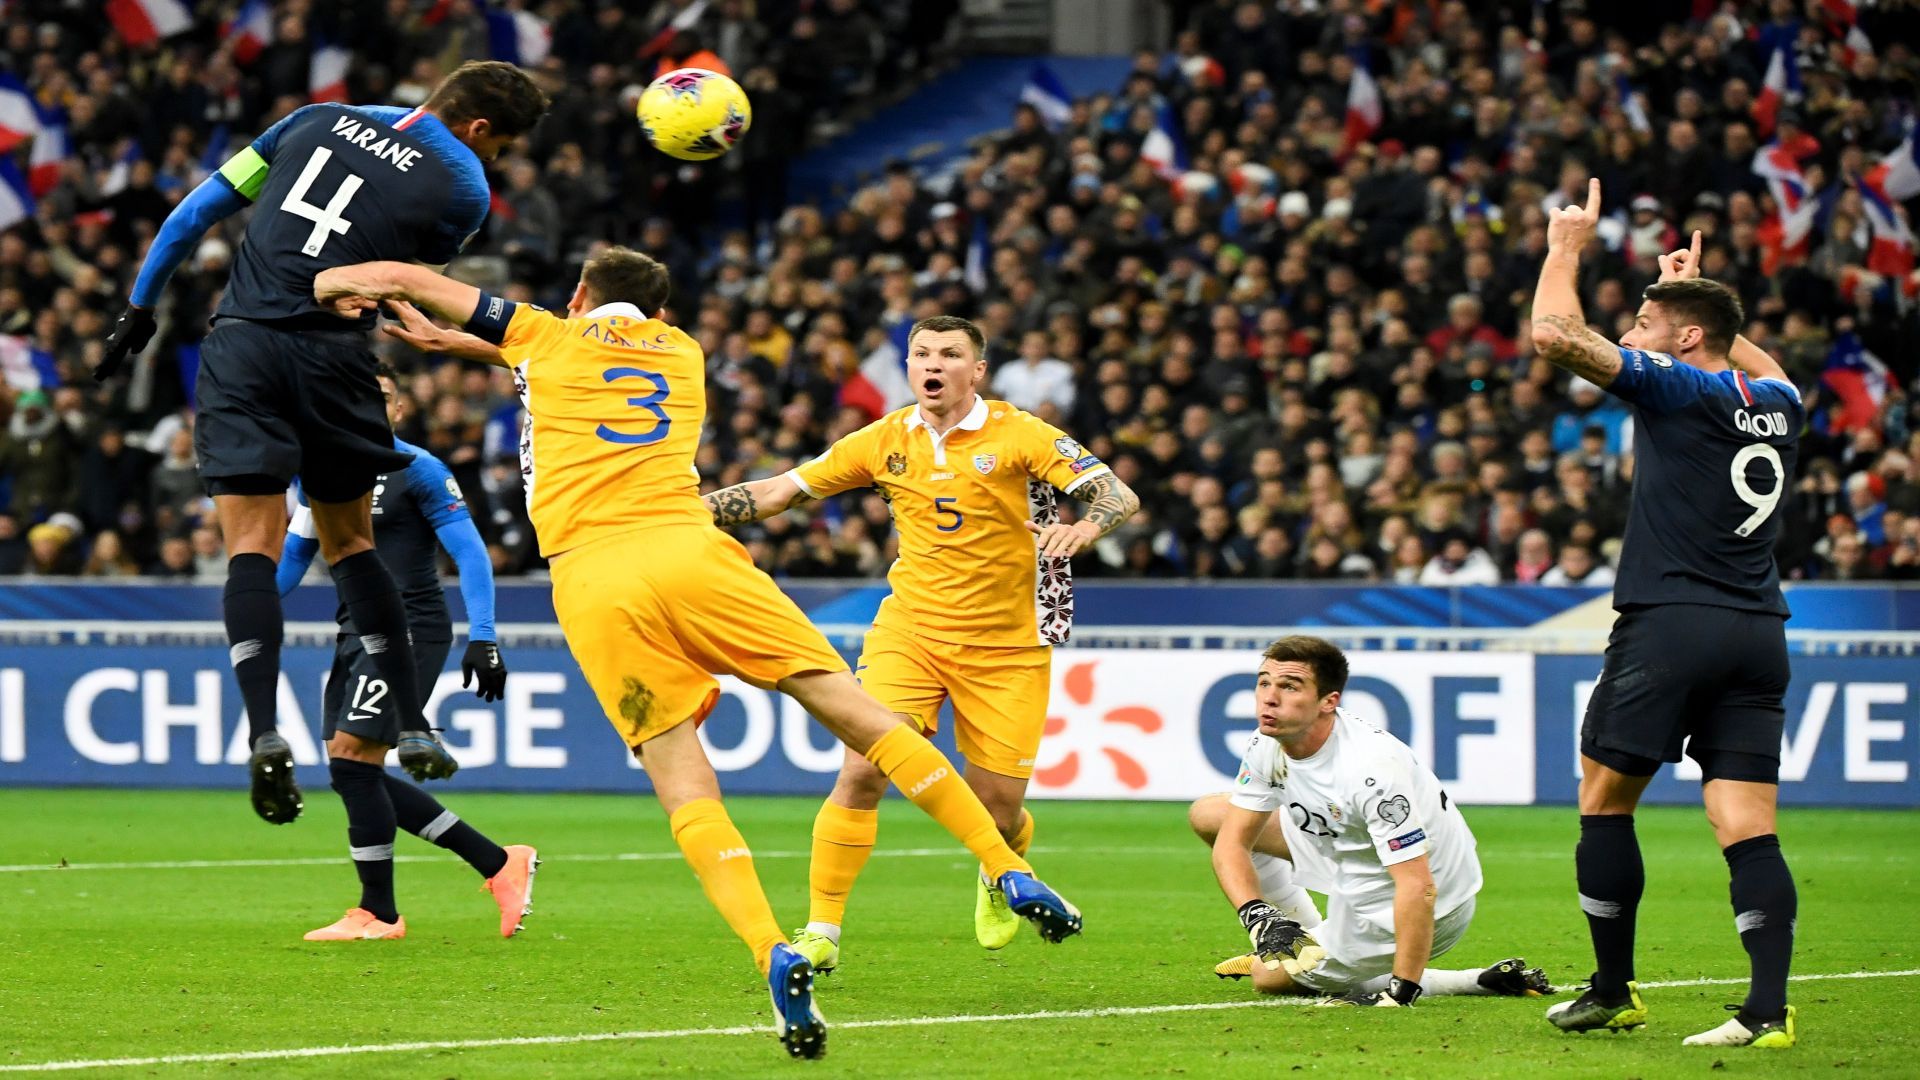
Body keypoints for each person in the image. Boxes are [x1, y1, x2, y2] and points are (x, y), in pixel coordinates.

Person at [311, 249, 1084, 1060]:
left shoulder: (544, 337)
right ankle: (1003, 864)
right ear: (662, 314)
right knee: (854, 710)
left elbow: (402, 275)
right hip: (694, 547)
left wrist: (317, 284)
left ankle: (771, 947)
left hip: (594, 573)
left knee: (682, 775)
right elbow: (569, 355)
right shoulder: (684, 353)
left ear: (579, 297)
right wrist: (463, 344)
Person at [93, 61, 550, 826]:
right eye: (499, 145)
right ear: (478, 130)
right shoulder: (465, 186)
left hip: (242, 346)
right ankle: (410, 723)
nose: (492, 159)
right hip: (334, 358)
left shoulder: (307, 120)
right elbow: (393, 279)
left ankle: (263, 730)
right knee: (351, 541)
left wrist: (139, 308)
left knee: (250, 549)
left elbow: (189, 218)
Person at [703, 314, 1140, 972]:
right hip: (912, 631)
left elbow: (1115, 491)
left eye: (950, 354)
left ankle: (1001, 868)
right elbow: (777, 492)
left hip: (1006, 646)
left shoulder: (1021, 434)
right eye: (922, 353)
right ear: (909, 367)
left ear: (977, 371)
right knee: (862, 769)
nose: (933, 363)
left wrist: (1085, 528)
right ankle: (822, 930)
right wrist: (680, 512)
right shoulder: (883, 439)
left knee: (997, 810)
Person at [1530, 188, 1803, 1047]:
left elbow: (1553, 336)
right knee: (1746, 824)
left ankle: (1613, 989)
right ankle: (1767, 1013)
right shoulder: (1779, 405)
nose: (1631, 334)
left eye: (1646, 321)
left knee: (1604, 801)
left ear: (1686, 342)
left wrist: (1566, 246)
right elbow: (1765, 369)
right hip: (1759, 629)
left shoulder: (1680, 390)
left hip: (1672, 619)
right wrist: (1700, 293)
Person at [276, 364, 530, 942]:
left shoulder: (419, 470)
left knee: (350, 762)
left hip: (409, 630)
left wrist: (483, 636)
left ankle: (380, 913)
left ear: (398, 410)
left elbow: (470, 556)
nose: (371, 405)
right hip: (352, 631)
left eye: (384, 397)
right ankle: (496, 862)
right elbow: (293, 560)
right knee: (352, 770)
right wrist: (249, 603)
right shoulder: (322, 470)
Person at [1189, 635, 1551, 1005]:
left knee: (1269, 977)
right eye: (1264, 682)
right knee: (1210, 814)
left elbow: (1419, 887)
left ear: (1329, 702)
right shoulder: (1265, 742)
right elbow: (1232, 842)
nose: (1269, 697)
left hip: (1422, 903)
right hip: (1350, 849)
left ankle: (1471, 980)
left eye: (1289, 686)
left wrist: (1402, 991)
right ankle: (1298, 936)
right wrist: (1260, 917)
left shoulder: (1370, 770)